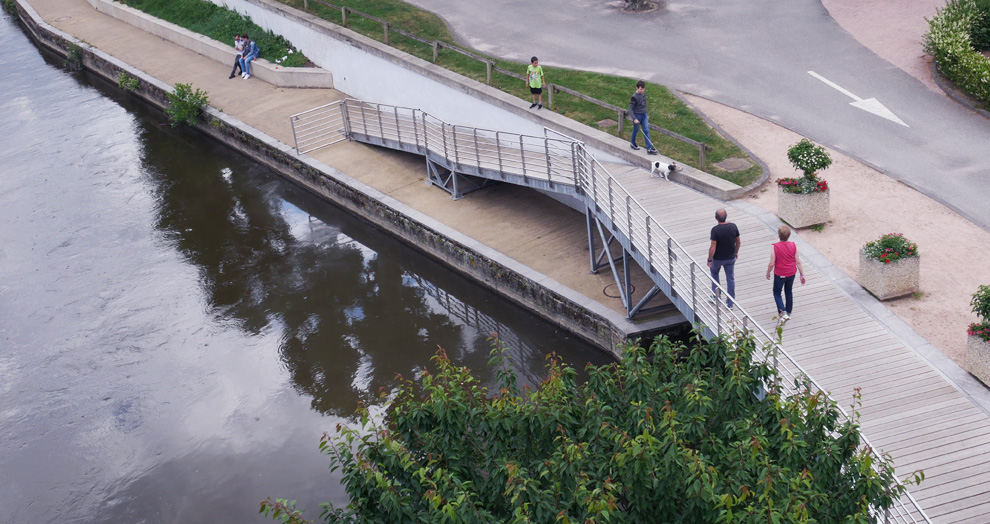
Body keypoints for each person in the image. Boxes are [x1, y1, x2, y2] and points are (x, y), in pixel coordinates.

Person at [766, 225, 806, 322]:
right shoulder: (793, 245)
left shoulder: (774, 246)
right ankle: (788, 312)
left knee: (777, 293)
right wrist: (802, 274)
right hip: (791, 272)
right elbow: (798, 261)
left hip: (780, 273)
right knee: (788, 291)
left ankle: (782, 312)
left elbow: (772, 263)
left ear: (779, 235)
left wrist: (768, 272)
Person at [707, 208, 740, 308]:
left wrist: (709, 259)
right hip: (730, 258)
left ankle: (716, 296)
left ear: (716, 218)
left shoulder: (715, 230)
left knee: (714, 273)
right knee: (730, 279)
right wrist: (736, 252)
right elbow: (738, 242)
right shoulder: (733, 227)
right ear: (726, 216)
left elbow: (713, 247)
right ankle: (730, 303)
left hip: (718, 259)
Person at [629, 80, 659, 155]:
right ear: (637, 88)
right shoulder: (634, 97)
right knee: (636, 130)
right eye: (640, 89)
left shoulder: (643, 94)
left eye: (643, 89)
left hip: (644, 115)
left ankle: (649, 149)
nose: (642, 90)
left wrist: (647, 114)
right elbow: (630, 109)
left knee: (646, 131)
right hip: (637, 116)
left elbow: (644, 104)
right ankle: (632, 143)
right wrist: (634, 118)